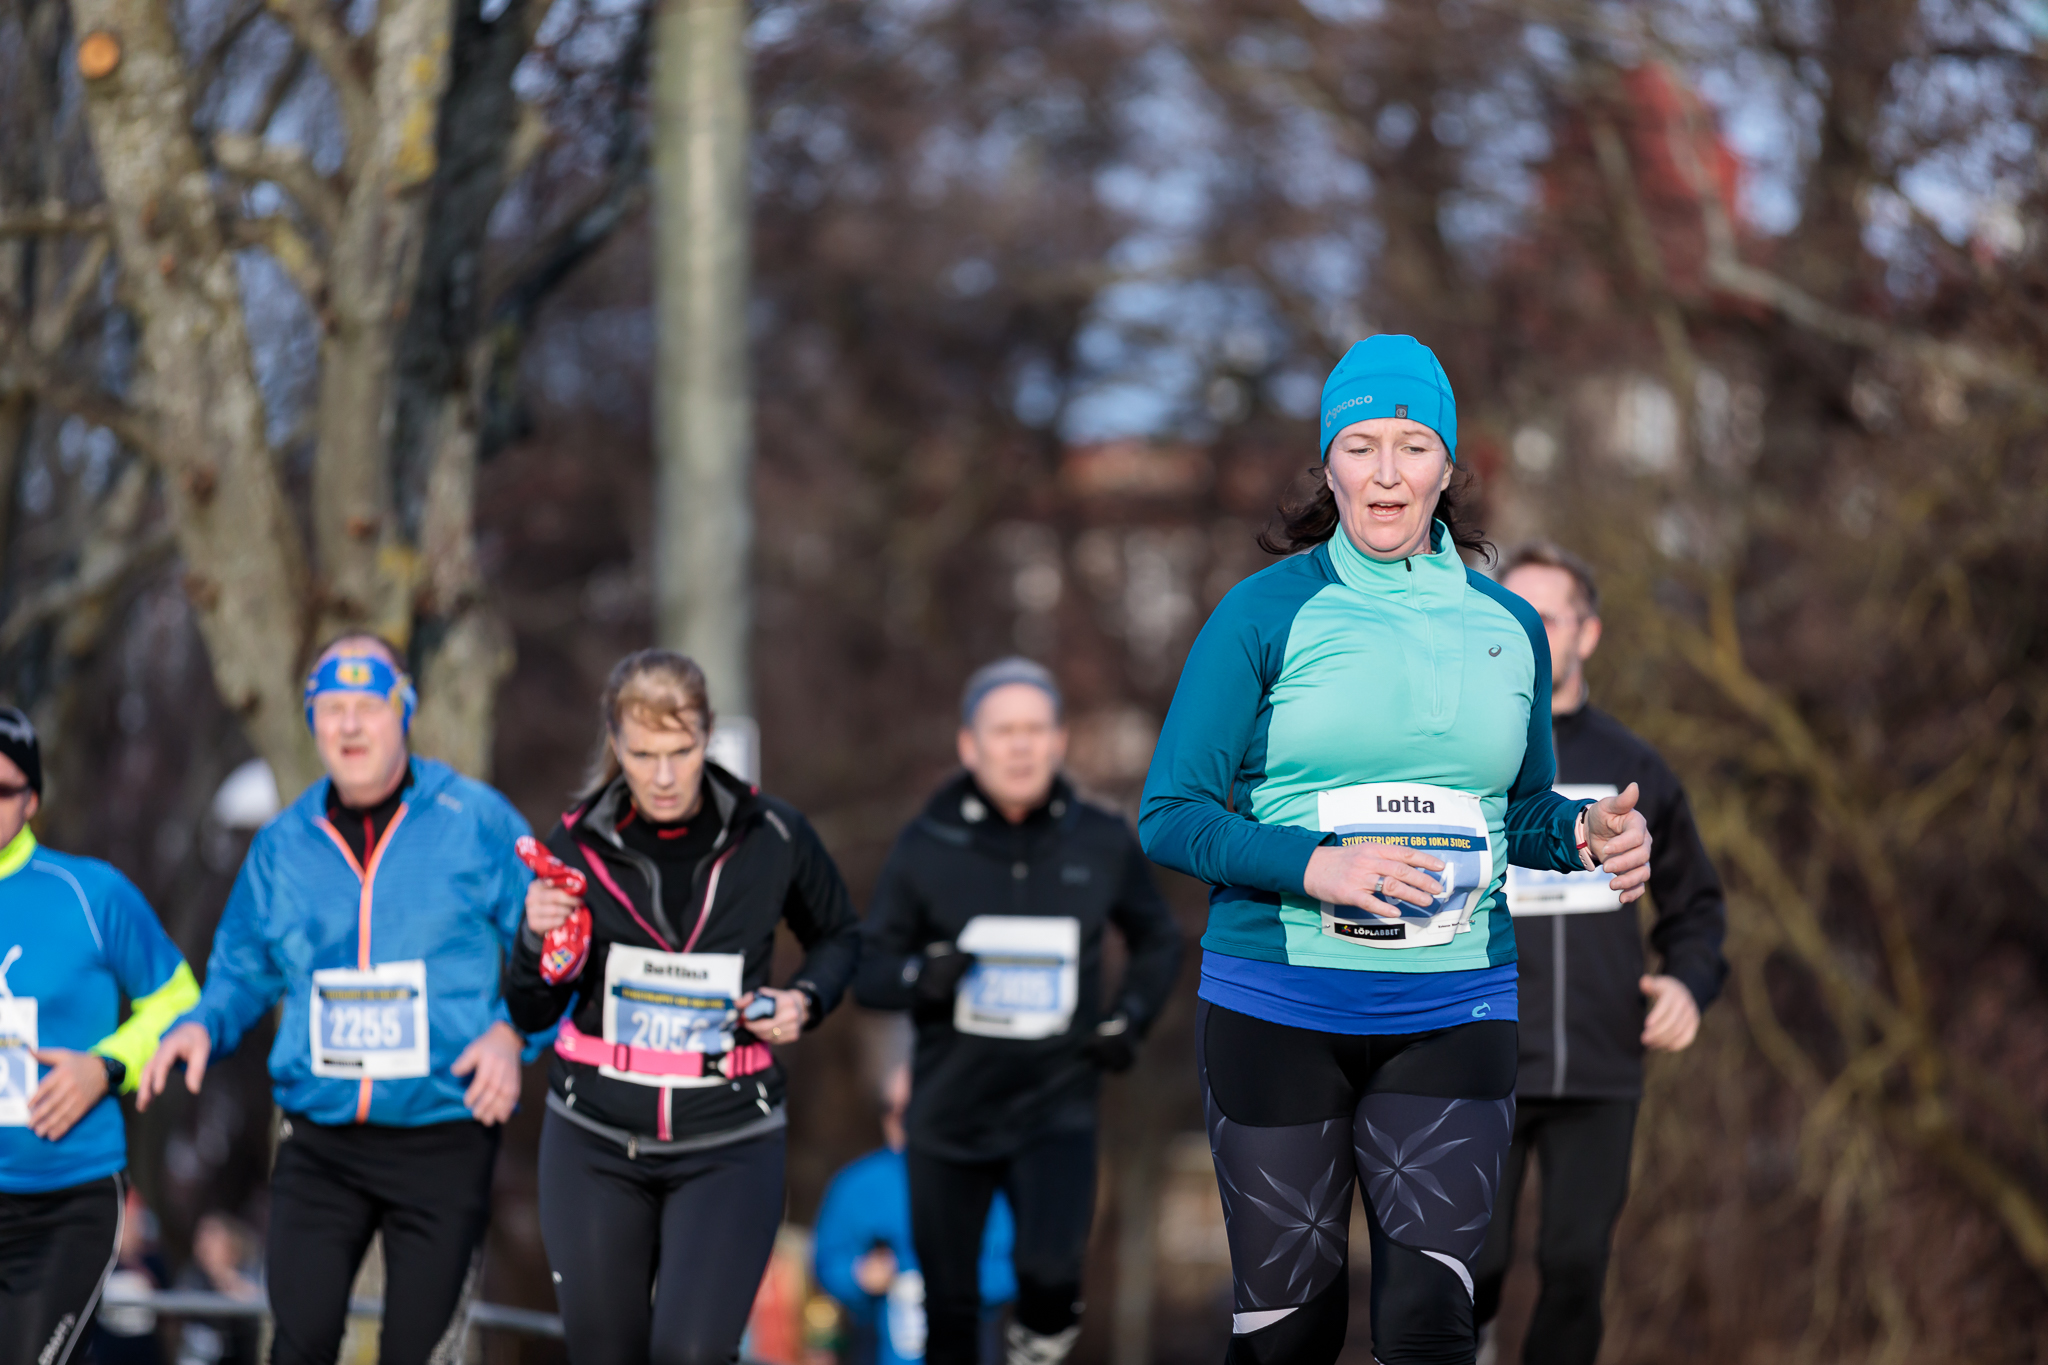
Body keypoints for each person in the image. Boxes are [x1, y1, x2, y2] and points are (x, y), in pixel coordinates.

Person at [1137, 335, 1655, 1365]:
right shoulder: (1261, 613)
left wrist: (1579, 833)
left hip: (1454, 1007)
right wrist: (1314, 864)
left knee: (1429, 1328)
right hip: (1279, 1005)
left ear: (1446, 465)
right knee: (1291, 1334)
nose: (1386, 473)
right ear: (1327, 464)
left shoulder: (1511, 627)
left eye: (1412, 447)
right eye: (1360, 446)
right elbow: (1170, 813)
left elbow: (1517, 812)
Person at [139, 636, 540, 1365]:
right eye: (332, 709)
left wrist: (514, 1034)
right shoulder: (283, 845)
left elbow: (561, 948)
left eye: (367, 706)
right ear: (311, 721)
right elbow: (241, 969)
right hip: (322, 1141)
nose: (350, 726)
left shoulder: (476, 822)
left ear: (404, 711)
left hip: (443, 1133)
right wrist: (204, 1023)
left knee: (417, 1353)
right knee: (297, 1346)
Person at [503, 650, 861, 1365]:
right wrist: (536, 937)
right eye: (643, 754)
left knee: (690, 1353)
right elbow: (531, 1009)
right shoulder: (576, 845)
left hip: (728, 1138)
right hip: (596, 1138)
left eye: (681, 751)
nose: (663, 776)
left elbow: (841, 936)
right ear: (615, 743)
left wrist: (805, 998)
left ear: (707, 737)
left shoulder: (772, 835)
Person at [856, 657, 1183, 1365]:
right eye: (1003, 731)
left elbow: (1159, 938)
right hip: (950, 1114)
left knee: (1050, 1277)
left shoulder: (1100, 838)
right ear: (969, 745)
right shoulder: (927, 843)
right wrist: (921, 975)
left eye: (1035, 729)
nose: (1021, 746)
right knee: (949, 1312)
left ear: (1060, 740)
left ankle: (1038, 1339)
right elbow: (869, 971)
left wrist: (1129, 1018)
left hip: (1055, 1108)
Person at [1470, 543, 1728, 1365]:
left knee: (1576, 1269)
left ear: (1588, 634)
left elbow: (1696, 905)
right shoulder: (1459, 758)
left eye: (1547, 619)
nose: (1528, 635)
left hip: (1600, 1068)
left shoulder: (1634, 767)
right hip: (1473, 1060)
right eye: (1511, 617)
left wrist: (1688, 982)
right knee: (1467, 1271)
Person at [0, 706, 198, 1365]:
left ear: (31, 799)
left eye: (0, 789)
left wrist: (106, 1066)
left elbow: (179, 1002)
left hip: (65, 1198)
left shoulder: (91, 892)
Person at [813, 1064, 1016, 1365]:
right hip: (878, 1348)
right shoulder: (856, 1183)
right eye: (889, 1108)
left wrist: (953, 1282)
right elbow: (826, 1262)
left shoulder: (983, 1178)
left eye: (909, 1109)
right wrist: (859, 1276)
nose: (898, 1120)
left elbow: (1016, 1265)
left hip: (968, 1345)